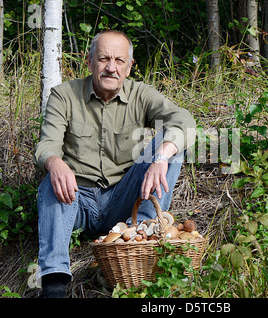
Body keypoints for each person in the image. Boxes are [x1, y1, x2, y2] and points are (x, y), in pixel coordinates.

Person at [33, 30, 196, 298]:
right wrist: (54, 162)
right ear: (89, 61)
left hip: (124, 199)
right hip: (76, 199)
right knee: (52, 180)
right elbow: (47, 144)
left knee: (173, 143)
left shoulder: (141, 94)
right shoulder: (64, 95)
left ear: (130, 66)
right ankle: (54, 282)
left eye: (119, 60)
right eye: (104, 59)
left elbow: (184, 120)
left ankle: (138, 241)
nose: (111, 68)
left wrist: (162, 156)